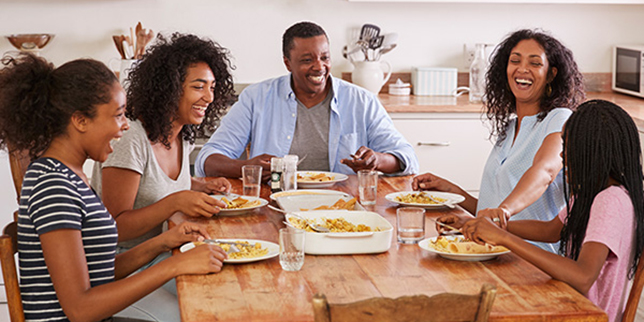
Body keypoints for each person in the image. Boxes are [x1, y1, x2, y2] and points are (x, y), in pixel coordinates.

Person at [0, 54, 226, 322]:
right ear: (80, 120)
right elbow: (80, 309)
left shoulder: (72, 175)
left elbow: (100, 271)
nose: (125, 126)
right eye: (118, 115)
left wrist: (162, 243)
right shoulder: (53, 186)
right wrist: (174, 265)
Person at [456, 100, 644, 322]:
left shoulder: (610, 201)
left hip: (583, 316)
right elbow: (551, 230)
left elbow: (583, 277)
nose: (563, 156)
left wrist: (503, 237)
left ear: (592, 151)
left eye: (568, 146)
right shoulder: (593, 194)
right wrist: (491, 227)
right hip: (567, 305)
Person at [413, 29, 585, 252]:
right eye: (515, 61)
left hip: (533, 260)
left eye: (535, 63)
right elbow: (492, 211)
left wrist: (503, 211)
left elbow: (545, 172)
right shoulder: (510, 127)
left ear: (551, 74)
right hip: (495, 251)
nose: (522, 69)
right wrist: (452, 191)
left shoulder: (560, 119)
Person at [195, 21, 418, 180]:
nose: (319, 67)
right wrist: (245, 167)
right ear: (287, 63)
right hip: (275, 204)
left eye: (325, 57)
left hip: (344, 207)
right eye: (307, 60)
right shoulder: (256, 98)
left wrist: (377, 160)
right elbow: (207, 160)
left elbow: (407, 158)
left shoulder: (361, 101)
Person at [92, 33, 235, 250]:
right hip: (125, 262)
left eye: (212, 87)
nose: (209, 97)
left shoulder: (181, 133)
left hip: (167, 250)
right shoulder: (130, 138)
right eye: (199, 87)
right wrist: (176, 202)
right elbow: (115, 228)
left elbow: (152, 185)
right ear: (170, 89)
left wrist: (200, 187)